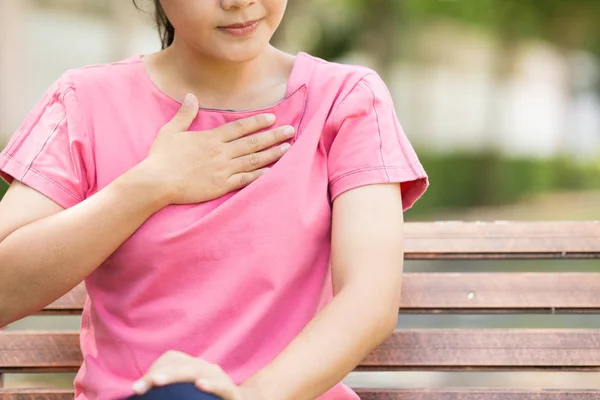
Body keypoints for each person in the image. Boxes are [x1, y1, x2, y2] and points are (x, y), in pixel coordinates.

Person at [0, 0, 428, 399]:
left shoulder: (345, 99)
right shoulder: (87, 100)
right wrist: (149, 185)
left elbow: (369, 300)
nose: (238, 0)